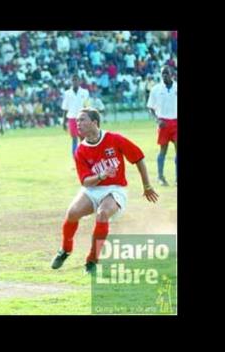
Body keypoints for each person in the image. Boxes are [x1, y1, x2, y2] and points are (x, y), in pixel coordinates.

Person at [50, 108, 159, 274]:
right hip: (92, 189)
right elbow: (85, 181)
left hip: (115, 189)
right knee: (72, 213)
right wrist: (102, 175)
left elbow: (138, 158)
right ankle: (65, 250)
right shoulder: (80, 150)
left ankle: (92, 260)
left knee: (102, 214)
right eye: (77, 120)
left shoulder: (114, 139)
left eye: (82, 120)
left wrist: (147, 186)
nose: (78, 123)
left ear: (94, 122)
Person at [146, 66, 178, 186]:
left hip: (176, 122)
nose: (164, 76)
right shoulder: (156, 89)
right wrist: (157, 120)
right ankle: (160, 177)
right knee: (163, 150)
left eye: (166, 73)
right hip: (163, 123)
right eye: (162, 74)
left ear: (172, 74)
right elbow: (150, 107)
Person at [61, 74, 90, 155]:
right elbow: (65, 108)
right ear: (71, 81)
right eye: (73, 80)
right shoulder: (67, 93)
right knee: (74, 139)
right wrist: (64, 122)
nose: (75, 82)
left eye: (76, 80)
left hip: (82, 118)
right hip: (72, 118)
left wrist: (89, 119)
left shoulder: (85, 92)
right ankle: (75, 157)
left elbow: (87, 106)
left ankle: (84, 155)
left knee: (83, 138)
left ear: (80, 81)